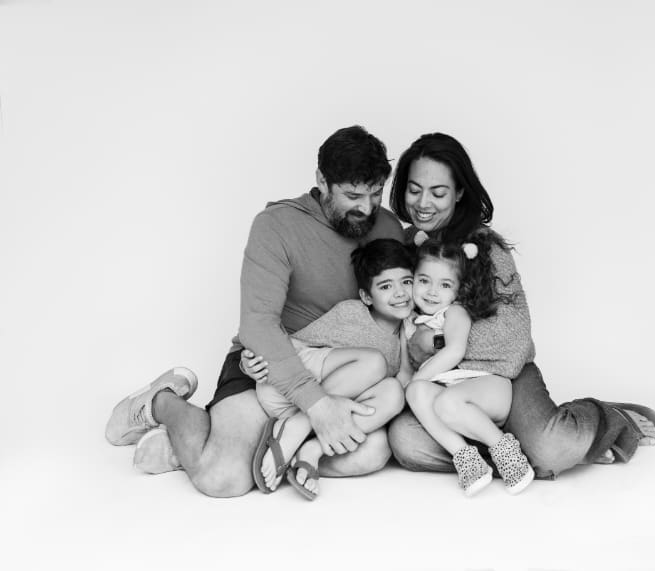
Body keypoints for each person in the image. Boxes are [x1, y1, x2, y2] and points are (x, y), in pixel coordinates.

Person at [105, 126, 406, 497]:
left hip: (349, 373)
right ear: (322, 181)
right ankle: (162, 402)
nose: (367, 207)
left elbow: (412, 296)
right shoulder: (276, 225)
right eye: (353, 195)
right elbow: (259, 325)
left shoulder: (388, 228)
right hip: (269, 367)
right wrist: (318, 406)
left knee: (372, 453)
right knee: (223, 480)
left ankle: (242, 445)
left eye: (376, 193)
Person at [387, 132, 655, 481]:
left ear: (459, 193)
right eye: (414, 190)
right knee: (406, 443)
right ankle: (513, 454)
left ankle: (605, 421)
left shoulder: (487, 250)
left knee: (552, 448)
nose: (423, 203)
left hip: (505, 379)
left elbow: (514, 343)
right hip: (440, 388)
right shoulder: (405, 247)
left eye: (438, 193)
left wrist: (437, 342)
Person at [240, 238, 415, 500]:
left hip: (334, 410)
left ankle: (308, 451)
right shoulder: (352, 313)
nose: (400, 293)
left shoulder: (410, 331)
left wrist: (409, 337)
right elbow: (291, 344)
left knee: (380, 443)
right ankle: (297, 426)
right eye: (386, 286)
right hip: (291, 391)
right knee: (374, 362)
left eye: (407, 282)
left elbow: (403, 381)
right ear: (366, 296)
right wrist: (249, 363)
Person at [402, 236, 534, 496]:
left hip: (488, 387)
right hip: (453, 397)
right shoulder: (411, 320)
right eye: (424, 280)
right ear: (413, 278)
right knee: (415, 393)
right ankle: (467, 458)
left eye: (445, 285)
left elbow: (454, 350)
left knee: (440, 398)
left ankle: (507, 454)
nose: (432, 291)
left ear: (459, 289)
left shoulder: (454, 312)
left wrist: (418, 378)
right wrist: (410, 387)